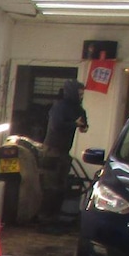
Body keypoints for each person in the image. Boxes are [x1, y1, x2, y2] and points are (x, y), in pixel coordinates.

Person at [40, 78, 87, 219]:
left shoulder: (78, 109)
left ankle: (54, 217)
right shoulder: (59, 107)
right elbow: (56, 125)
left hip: (64, 152)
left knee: (61, 187)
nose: (81, 97)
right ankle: (44, 218)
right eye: (79, 94)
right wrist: (74, 124)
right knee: (50, 187)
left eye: (82, 94)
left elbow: (83, 126)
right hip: (51, 151)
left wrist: (82, 124)